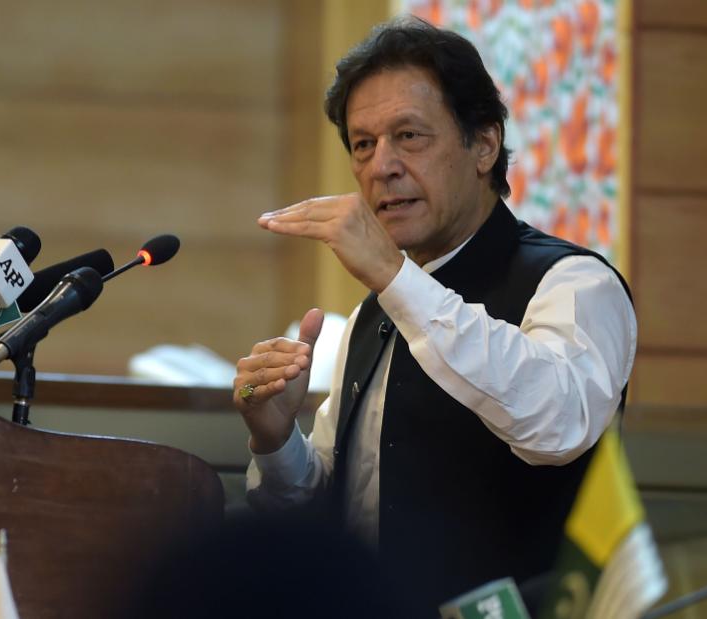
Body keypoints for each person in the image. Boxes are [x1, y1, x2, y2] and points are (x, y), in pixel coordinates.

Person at [231, 16, 635, 615]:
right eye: (363, 144)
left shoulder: (574, 281)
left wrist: (396, 279)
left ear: (485, 145)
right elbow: (335, 511)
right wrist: (274, 437)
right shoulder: (377, 311)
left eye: (409, 136)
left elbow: (557, 426)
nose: (381, 166)